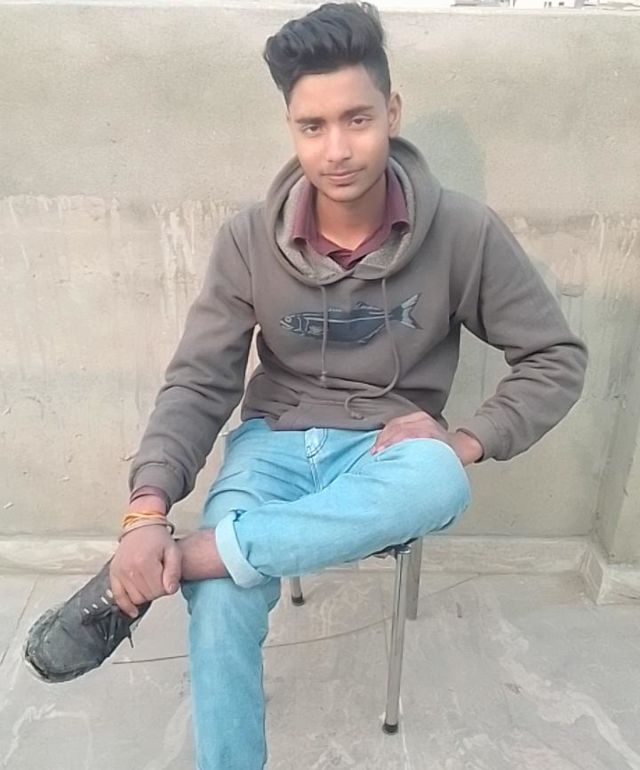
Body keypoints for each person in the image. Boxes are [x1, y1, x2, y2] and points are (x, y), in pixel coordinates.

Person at [24, 3, 587, 768]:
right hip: (275, 443)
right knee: (220, 601)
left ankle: (188, 557)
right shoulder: (248, 242)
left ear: (392, 112)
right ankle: (207, 576)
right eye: (312, 126)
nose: (337, 149)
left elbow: (555, 355)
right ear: (291, 128)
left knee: (440, 480)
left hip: (386, 450)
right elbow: (199, 381)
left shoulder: (464, 232)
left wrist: (467, 439)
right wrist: (145, 510)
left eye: (357, 119)